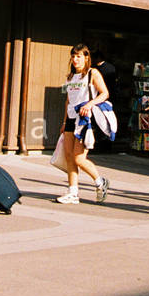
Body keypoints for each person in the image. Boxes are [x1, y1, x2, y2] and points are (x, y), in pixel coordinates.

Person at [53, 43, 111, 205]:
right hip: (71, 119)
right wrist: (64, 121)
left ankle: (100, 182)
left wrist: (89, 104)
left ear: (86, 58)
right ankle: (73, 192)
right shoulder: (70, 77)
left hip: (85, 119)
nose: (75, 59)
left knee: (79, 158)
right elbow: (68, 100)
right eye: (73, 56)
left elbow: (105, 93)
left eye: (79, 56)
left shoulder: (93, 73)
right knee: (70, 157)